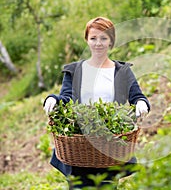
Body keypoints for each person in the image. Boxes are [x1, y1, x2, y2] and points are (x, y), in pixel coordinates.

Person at [43, 16, 150, 189]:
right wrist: (53, 99)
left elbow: (137, 96)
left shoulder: (122, 71)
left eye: (103, 38)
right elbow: (66, 98)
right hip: (79, 145)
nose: (98, 43)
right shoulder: (75, 70)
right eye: (93, 38)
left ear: (111, 41)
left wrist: (142, 104)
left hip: (109, 145)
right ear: (87, 40)